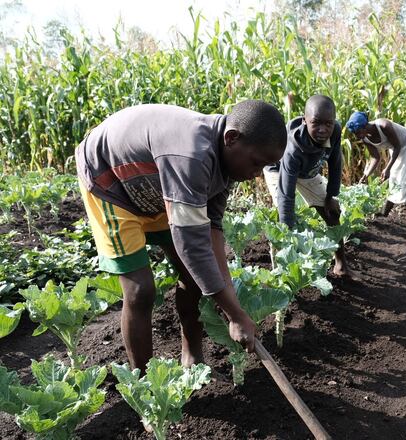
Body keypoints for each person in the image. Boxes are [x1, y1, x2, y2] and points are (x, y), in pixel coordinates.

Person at [75, 100, 287, 372]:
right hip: (110, 180)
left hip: (157, 185)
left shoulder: (226, 160)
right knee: (140, 291)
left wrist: (229, 297)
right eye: (256, 163)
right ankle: (145, 383)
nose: (256, 174)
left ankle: (192, 357)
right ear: (232, 138)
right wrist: (234, 315)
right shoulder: (191, 156)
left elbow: (213, 229)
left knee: (194, 277)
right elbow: (193, 247)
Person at [263, 94, 350, 277]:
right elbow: (287, 193)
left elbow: (335, 163)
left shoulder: (335, 131)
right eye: (316, 123)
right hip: (278, 169)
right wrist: (286, 229)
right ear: (305, 121)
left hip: (308, 170)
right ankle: (281, 273)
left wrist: (331, 196)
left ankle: (341, 266)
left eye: (328, 123)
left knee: (332, 212)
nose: (322, 129)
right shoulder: (293, 148)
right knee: (283, 219)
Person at [346, 111, 406, 222]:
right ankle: (385, 214)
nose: (357, 136)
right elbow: (375, 157)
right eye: (355, 134)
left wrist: (387, 168)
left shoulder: (383, 126)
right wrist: (366, 175)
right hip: (396, 150)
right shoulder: (365, 138)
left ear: (364, 126)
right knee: (394, 179)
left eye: (357, 132)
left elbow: (397, 146)